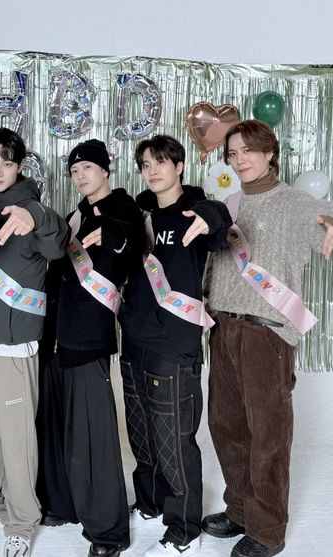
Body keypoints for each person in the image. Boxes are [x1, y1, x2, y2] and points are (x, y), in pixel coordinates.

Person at [202, 120, 333, 557]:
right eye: (233, 153)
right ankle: (239, 511)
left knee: (267, 432)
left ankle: (267, 531)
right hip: (223, 326)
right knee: (225, 424)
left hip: (266, 332)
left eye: (249, 150)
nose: (240, 159)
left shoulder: (293, 203)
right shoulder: (229, 205)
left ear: (271, 154)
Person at [0, 127, 69, 557]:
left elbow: (59, 245)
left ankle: (22, 519)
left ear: (20, 165)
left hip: (12, 348)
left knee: (16, 440)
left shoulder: (32, 209)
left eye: (7, 162)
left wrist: (36, 215)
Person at [118, 134, 231, 557]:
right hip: (133, 340)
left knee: (174, 439)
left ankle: (184, 531)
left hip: (175, 345)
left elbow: (220, 218)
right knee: (142, 434)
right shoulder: (139, 214)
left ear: (179, 165)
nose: (153, 170)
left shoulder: (195, 212)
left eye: (161, 162)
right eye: (145, 164)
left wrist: (210, 213)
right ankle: (149, 503)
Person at [36, 139, 144, 557]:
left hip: (89, 336)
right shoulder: (72, 216)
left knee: (94, 433)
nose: (80, 176)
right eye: (75, 170)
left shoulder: (124, 209)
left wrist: (112, 230)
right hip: (56, 336)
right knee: (57, 426)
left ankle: (107, 530)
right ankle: (62, 504)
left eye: (88, 168)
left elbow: (131, 244)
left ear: (105, 170)